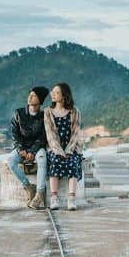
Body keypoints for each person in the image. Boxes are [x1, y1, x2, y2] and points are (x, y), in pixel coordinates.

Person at [7, 86, 49, 209]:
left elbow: (43, 137)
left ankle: (40, 193)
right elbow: (14, 133)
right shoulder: (18, 113)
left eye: (34, 95)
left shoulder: (44, 116)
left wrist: (32, 151)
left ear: (40, 100)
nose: (30, 97)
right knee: (11, 161)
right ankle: (29, 187)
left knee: (42, 160)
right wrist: (21, 149)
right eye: (30, 94)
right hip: (22, 147)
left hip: (37, 147)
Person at [44, 82, 83, 211]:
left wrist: (69, 150)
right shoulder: (48, 112)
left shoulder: (74, 111)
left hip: (71, 148)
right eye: (52, 92)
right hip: (54, 148)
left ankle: (71, 199)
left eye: (56, 92)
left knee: (72, 162)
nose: (53, 95)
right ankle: (54, 198)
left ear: (64, 95)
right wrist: (59, 151)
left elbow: (75, 133)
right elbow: (50, 135)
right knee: (55, 161)